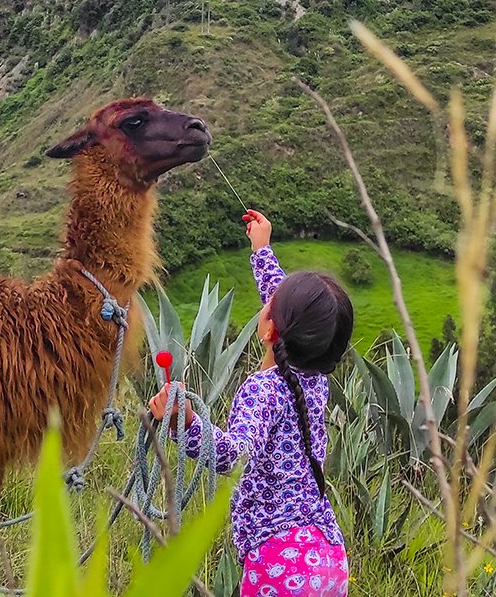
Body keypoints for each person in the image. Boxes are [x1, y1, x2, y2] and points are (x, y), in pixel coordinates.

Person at [149, 208, 356, 596]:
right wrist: (262, 249)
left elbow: (232, 456)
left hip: (279, 562)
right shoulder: (315, 380)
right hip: (326, 557)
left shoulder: (264, 390)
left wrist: (186, 422)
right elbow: (293, 313)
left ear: (270, 328)